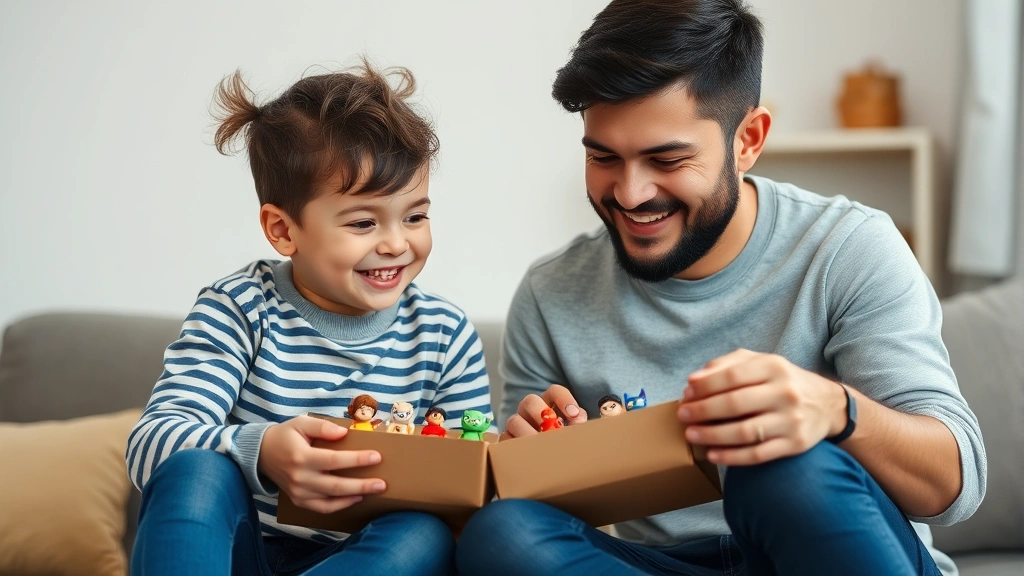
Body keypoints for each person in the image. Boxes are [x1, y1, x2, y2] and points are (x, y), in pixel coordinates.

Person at [456, 2, 985, 575]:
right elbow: (528, 505)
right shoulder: (552, 290)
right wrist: (537, 456)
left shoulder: (848, 247)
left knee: (779, 466)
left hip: (824, 551)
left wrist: (835, 410)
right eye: (604, 157)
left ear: (748, 140)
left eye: (667, 159)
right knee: (502, 532)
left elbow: (953, 489)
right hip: (666, 564)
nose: (630, 194)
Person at [126, 59, 492, 576]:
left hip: (369, 557)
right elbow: (151, 444)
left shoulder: (444, 334)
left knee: (425, 531)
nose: (396, 243)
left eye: (415, 216)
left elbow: (473, 485)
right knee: (193, 470)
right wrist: (263, 451)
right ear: (282, 231)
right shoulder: (239, 308)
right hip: (242, 554)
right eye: (363, 222)